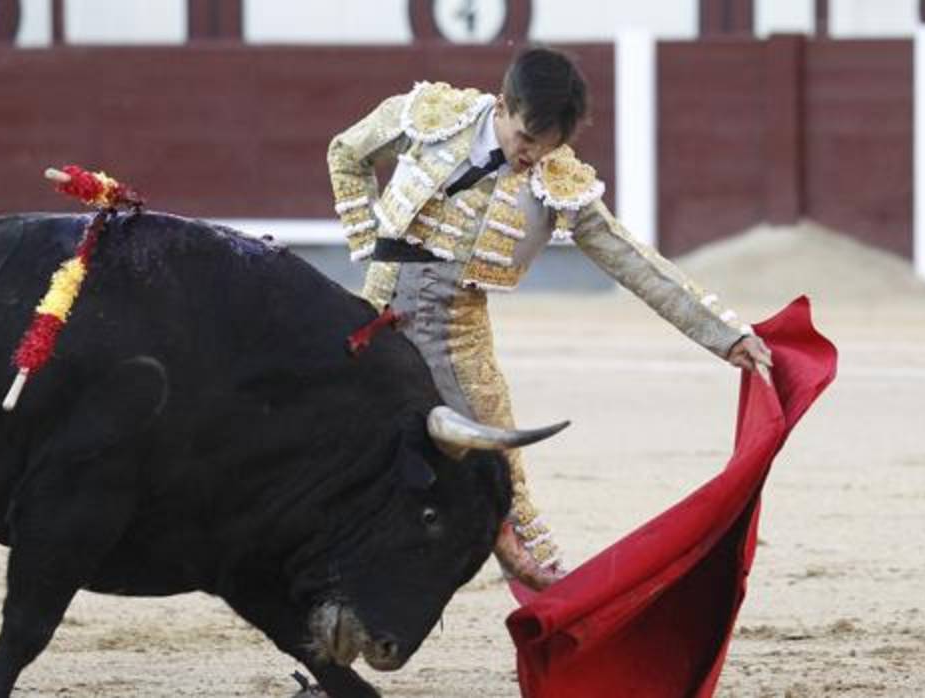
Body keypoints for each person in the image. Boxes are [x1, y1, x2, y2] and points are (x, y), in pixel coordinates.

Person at [327, 47, 773, 590]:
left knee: (505, 489)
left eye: (549, 146)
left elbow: (632, 259)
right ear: (504, 105)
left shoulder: (558, 182)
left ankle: (565, 622)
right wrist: (368, 245)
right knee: (344, 467)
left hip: (454, 335)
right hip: (374, 319)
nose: (532, 156)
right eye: (526, 139)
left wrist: (724, 335)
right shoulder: (430, 115)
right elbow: (346, 152)